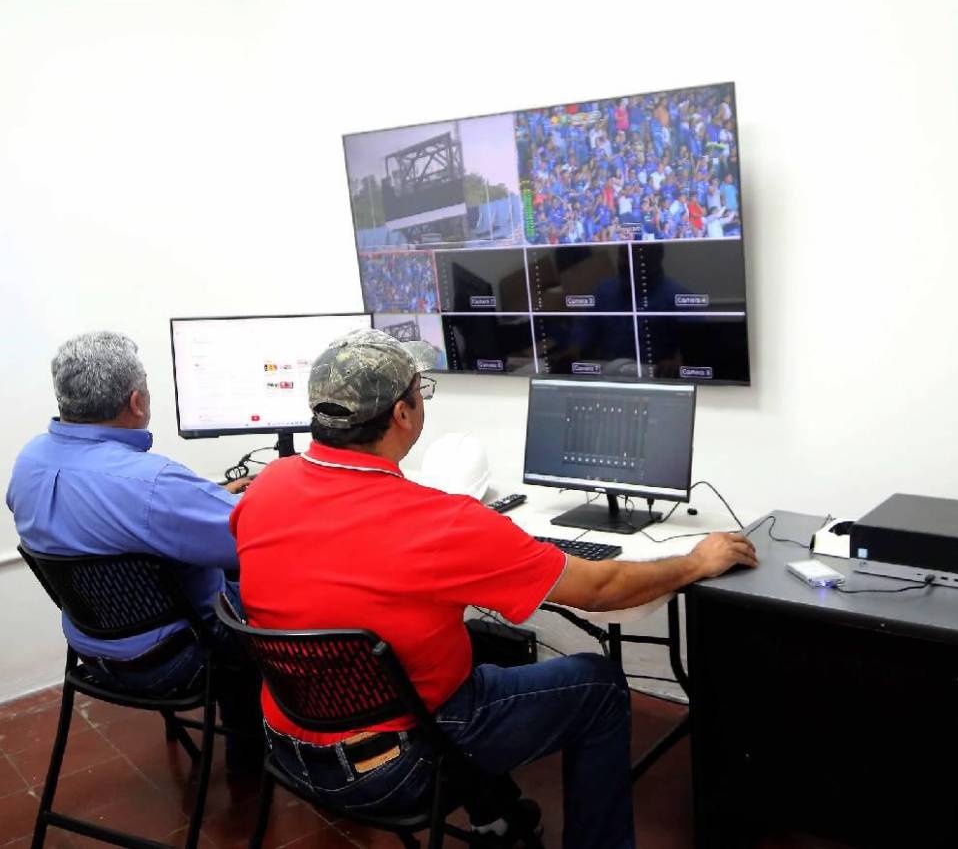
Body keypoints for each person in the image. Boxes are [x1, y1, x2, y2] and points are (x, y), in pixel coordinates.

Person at [232, 329, 755, 849]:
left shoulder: (265, 488)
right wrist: (693, 561)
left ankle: (496, 819)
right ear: (402, 414)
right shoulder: (442, 522)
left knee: (465, 649)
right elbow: (602, 587)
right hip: (396, 765)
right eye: (421, 389)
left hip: (286, 746)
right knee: (597, 685)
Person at [6, 331, 263, 770]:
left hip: (92, 651)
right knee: (267, 591)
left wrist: (205, 499)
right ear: (137, 401)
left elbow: (108, 522)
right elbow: (251, 541)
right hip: (176, 661)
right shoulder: (152, 483)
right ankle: (253, 759)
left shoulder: (30, 460)